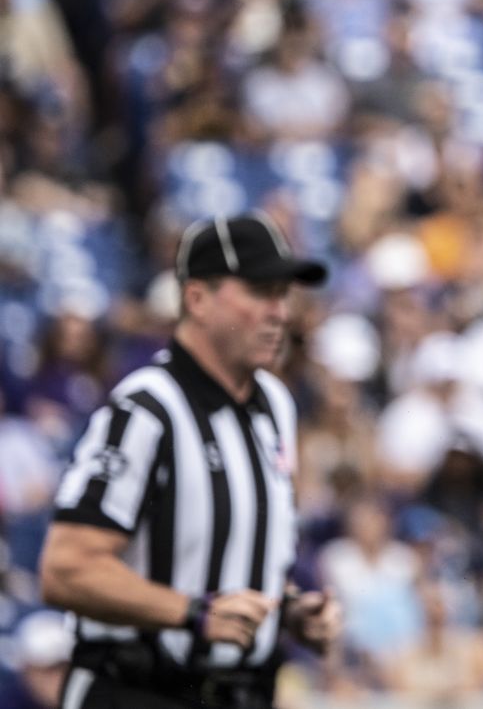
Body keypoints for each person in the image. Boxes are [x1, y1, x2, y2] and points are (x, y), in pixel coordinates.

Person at [39, 212, 343, 709]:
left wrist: (287, 611)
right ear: (197, 298)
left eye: (283, 293)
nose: (280, 312)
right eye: (260, 292)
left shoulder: (275, 406)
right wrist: (188, 613)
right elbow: (66, 568)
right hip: (137, 690)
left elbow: (230, 559)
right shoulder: (146, 410)